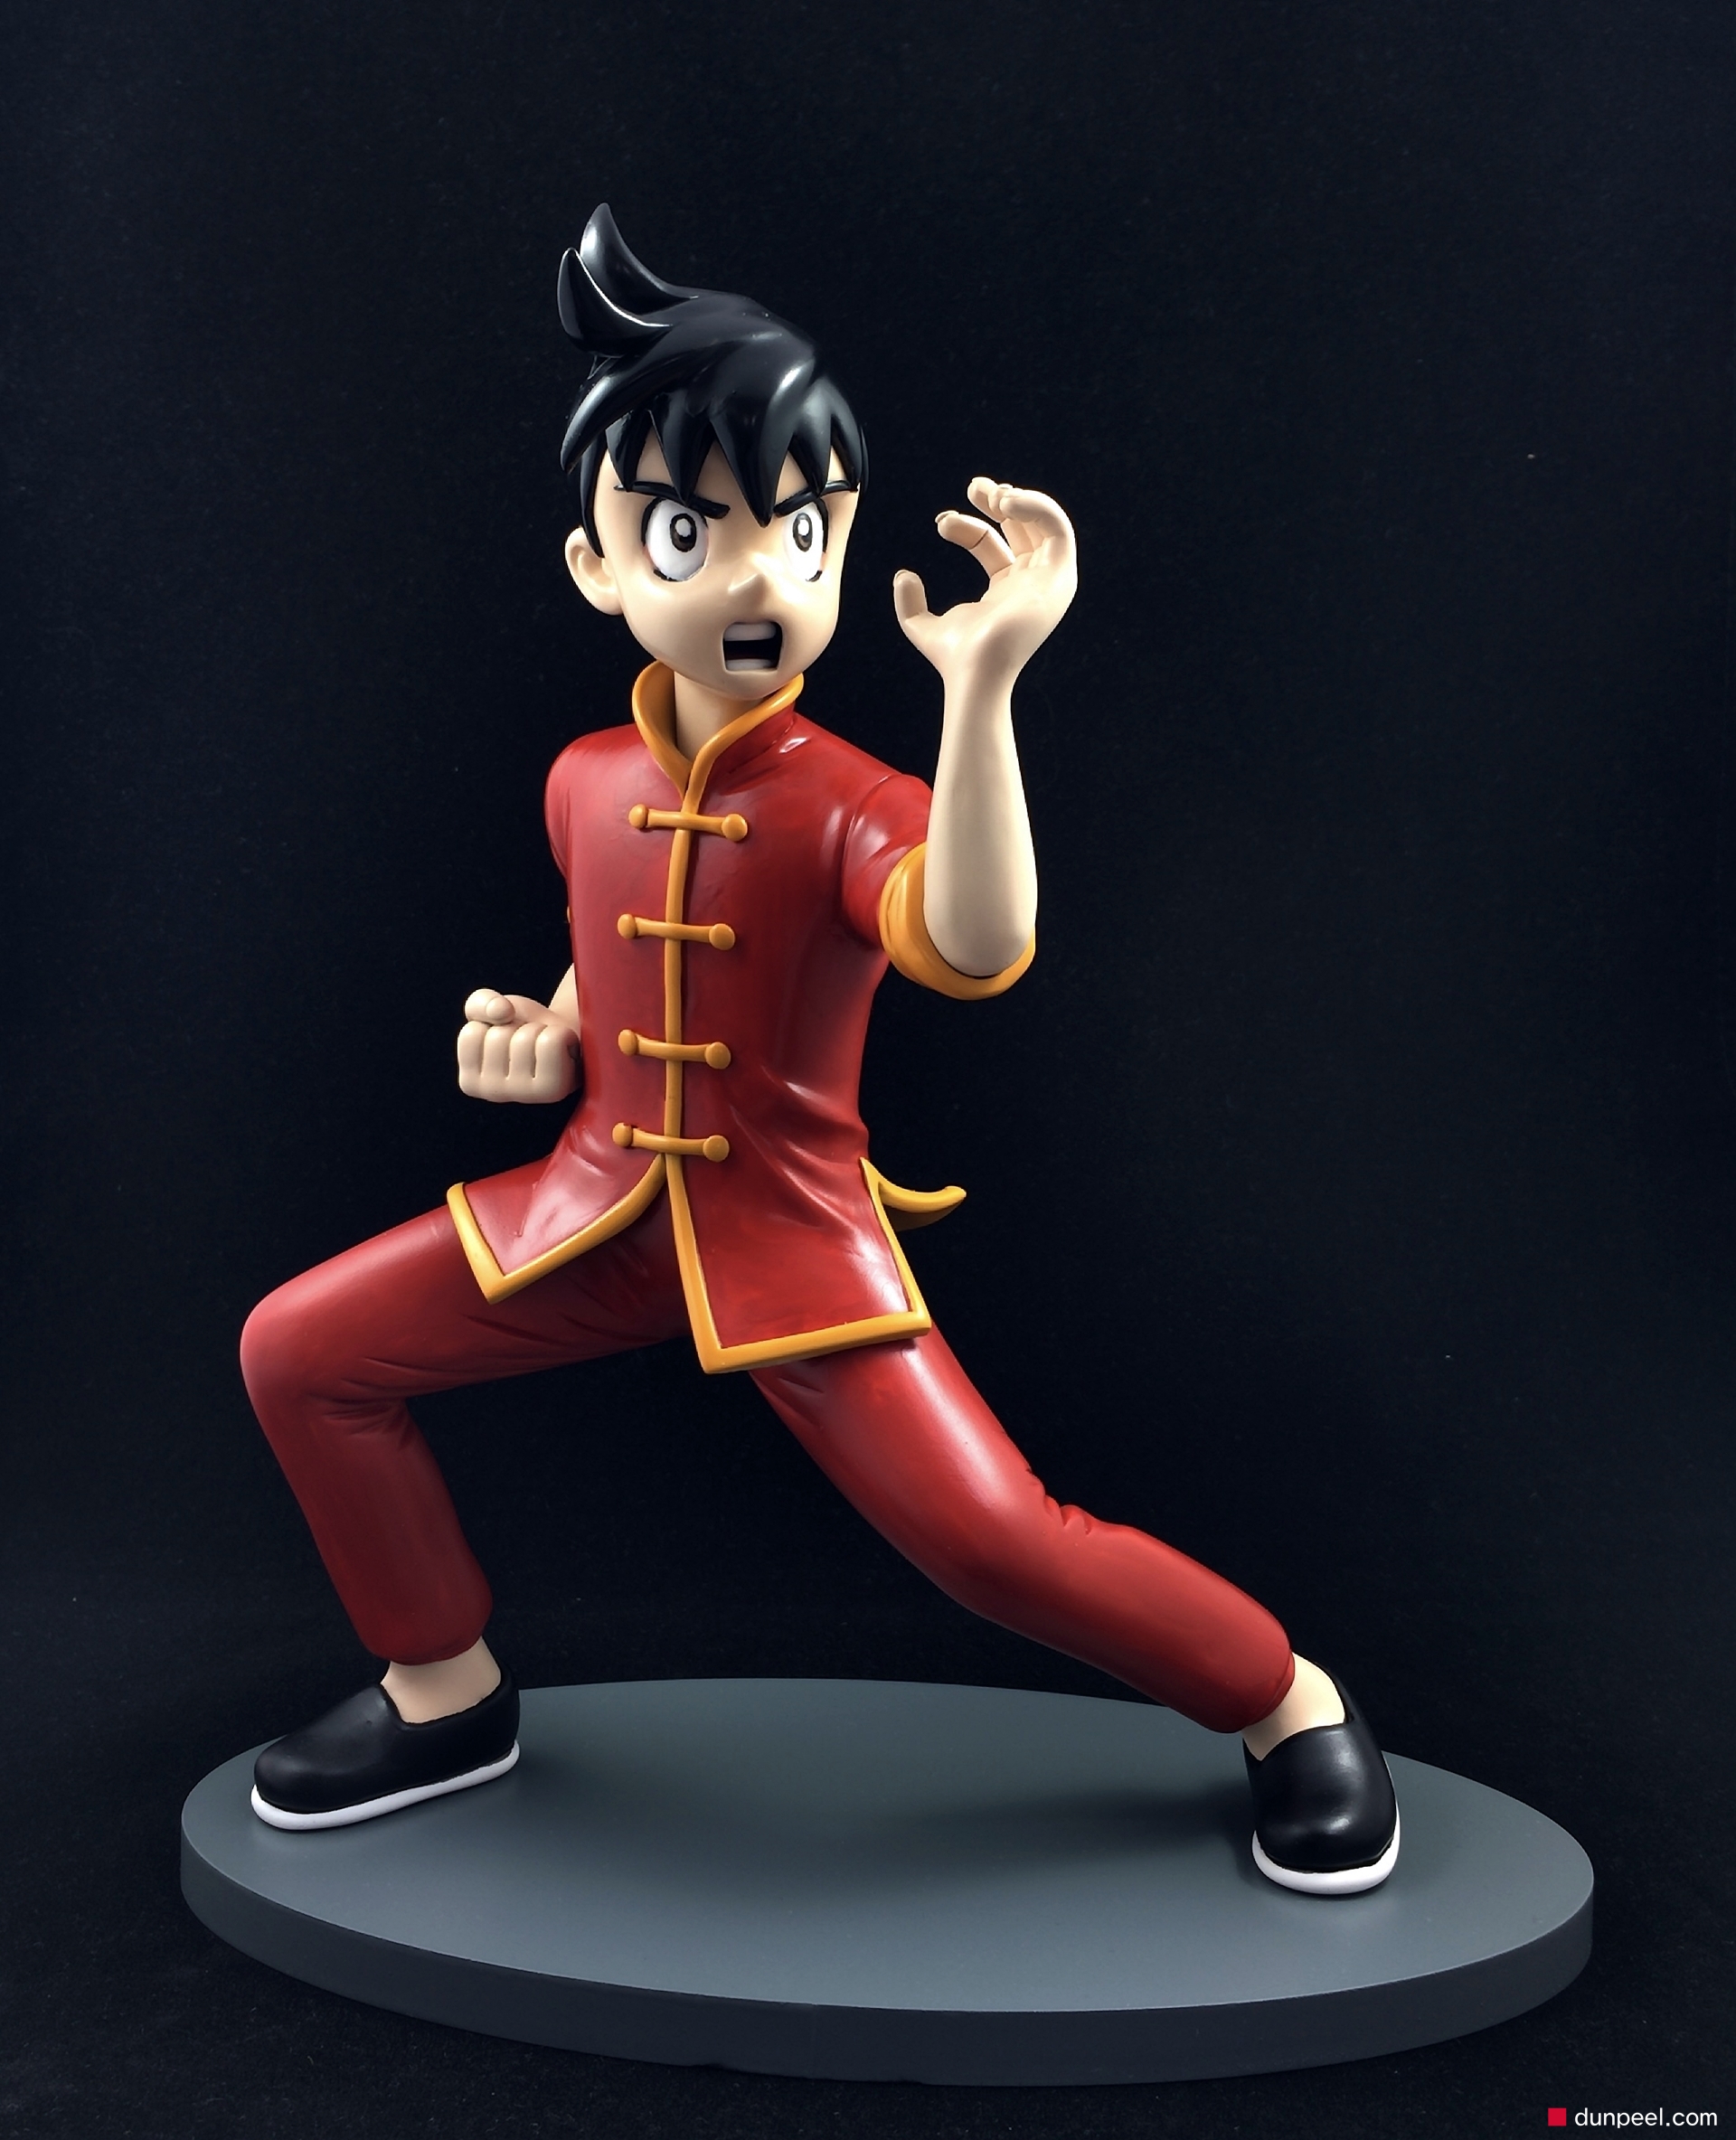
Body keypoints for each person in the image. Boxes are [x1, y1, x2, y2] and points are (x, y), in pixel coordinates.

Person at [241, 205, 1399, 1894]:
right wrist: (549, 1040)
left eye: (797, 530)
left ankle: (1287, 1702)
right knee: (300, 1353)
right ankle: (444, 1689)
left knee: (995, 1543)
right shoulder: (582, 780)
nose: (755, 579)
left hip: (790, 1247)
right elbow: (608, 958)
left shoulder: (854, 800)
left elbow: (974, 941)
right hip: (595, 1217)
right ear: (597, 567)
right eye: (689, 530)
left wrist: (983, 692)